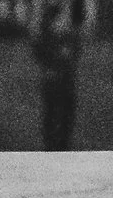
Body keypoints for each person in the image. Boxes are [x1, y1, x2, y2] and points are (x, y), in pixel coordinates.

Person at [33, 12, 85, 151]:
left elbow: (75, 52)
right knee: (51, 112)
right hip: (52, 82)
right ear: (52, 23)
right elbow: (39, 54)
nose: (63, 23)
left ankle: (64, 143)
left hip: (67, 82)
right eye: (59, 21)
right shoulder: (46, 39)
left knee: (67, 113)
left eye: (64, 21)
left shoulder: (69, 39)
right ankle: (50, 143)